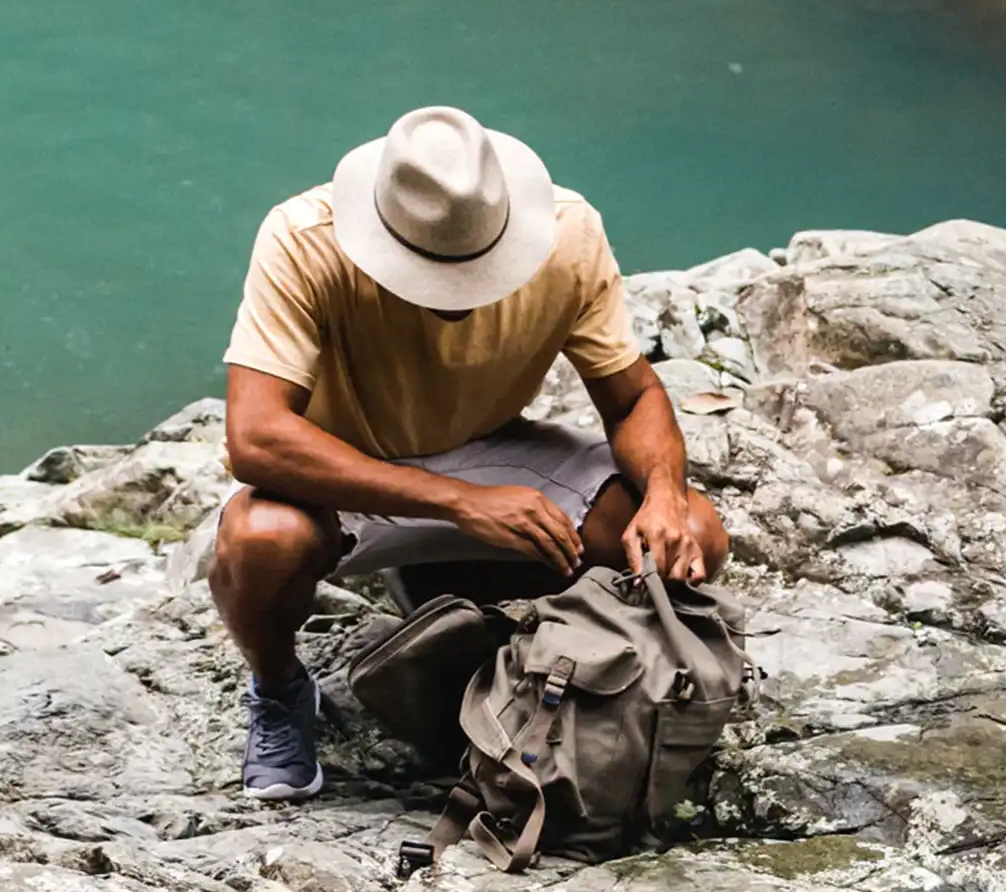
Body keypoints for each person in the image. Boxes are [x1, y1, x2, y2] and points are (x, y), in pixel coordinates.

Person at [213, 104, 729, 800]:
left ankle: (508, 629)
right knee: (261, 540)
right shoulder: (305, 239)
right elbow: (255, 437)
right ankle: (280, 692)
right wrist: (461, 504)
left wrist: (664, 496)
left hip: (488, 448)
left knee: (690, 539)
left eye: (472, 269)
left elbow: (633, 396)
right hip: (347, 468)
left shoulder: (568, 234)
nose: (452, 293)